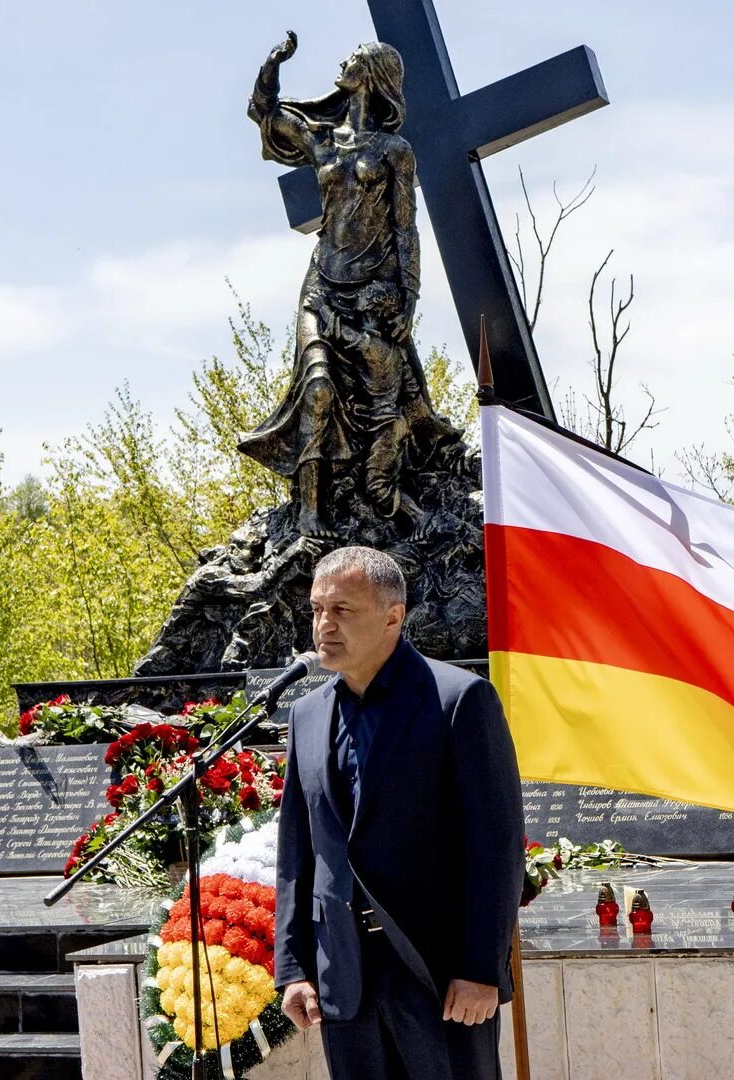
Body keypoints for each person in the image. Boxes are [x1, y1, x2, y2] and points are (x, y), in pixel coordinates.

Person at [275, 546, 523, 1078]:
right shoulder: (307, 715)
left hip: (438, 976)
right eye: (318, 609)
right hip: (344, 977)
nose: (325, 624)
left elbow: (496, 845)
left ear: (393, 616)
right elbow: (298, 853)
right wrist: (293, 968)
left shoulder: (460, 699)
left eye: (342, 609)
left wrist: (480, 967)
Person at [240, 34, 458, 535]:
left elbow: (406, 229)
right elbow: (265, 110)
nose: (343, 60)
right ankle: (309, 512)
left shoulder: (395, 152)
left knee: (383, 400)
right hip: (322, 285)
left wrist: (410, 298)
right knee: (316, 388)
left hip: (371, 293)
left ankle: (383, 498)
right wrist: (272, 64)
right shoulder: (322, 140)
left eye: (354, 57)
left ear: (373, 75)